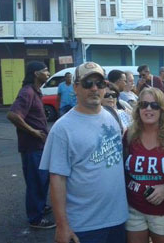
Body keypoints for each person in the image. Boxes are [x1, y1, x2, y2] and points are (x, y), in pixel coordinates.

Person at [39, 62, 129, 243]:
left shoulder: (112, 116)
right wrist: (62, 225)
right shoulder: (63, 128)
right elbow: (57, 180)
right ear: (76, 87)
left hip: (118, 219)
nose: (94, 88)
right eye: (88, 83)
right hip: (85, 226)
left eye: (100, 83)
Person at [124, 87, 164, 243]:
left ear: (162, 109)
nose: (148, 109)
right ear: (138, 109)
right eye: (144, 105)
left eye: (154, 105)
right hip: (133, 210)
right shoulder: (129, 134)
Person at [6, 61, 54, 229]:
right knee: (36, 181)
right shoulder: (27, 92)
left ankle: (39, 206)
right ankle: (35, 218)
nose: (48, 73)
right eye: (45, 70)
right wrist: (33, 131)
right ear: (35, 73)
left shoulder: (36, 91)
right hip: (32, 147)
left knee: (42, 179)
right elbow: (12, 115)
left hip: (39, 146)